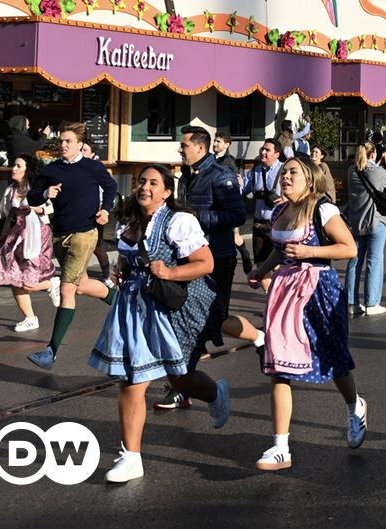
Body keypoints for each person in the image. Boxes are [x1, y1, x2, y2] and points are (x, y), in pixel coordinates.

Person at [89, 164, 229, 482]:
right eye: (141, 181)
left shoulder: (179, 221)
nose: (145, 187)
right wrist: (120, 271)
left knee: (180, 379)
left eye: (154, 182)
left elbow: (205, 263)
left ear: (167, 192)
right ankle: (131, 457)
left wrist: (170, 272)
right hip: (133, 306)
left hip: (167, 309)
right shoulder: (130, 221)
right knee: (131, 381)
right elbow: (127, 258)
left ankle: (216, 395)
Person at [246, 155, 366, 471]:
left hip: (318, 289)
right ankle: (280, 447)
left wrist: (310, 251)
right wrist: (262, 269)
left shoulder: (322, 209)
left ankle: (355, 406)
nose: (286, 176)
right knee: (278, 367)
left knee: (333, 358)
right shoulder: (279, 210)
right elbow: (279, 249)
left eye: (293, 172)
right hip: (285, 291)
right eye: (284, 171)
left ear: (309, 179)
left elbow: (349, 248)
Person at [156, 126, 260, 410]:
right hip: (190, 259)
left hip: (218, 258)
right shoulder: (187, 176)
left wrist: (197, 216)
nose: (180, 149)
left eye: (184, 145)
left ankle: (185, 382)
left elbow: (237, 214)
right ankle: (182, 384)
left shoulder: (221, 176)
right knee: (188, 321)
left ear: (200, 148)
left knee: (208, 322)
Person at [26, 122, 118, 370]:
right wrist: (46, 193)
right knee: (81, 285)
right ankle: (122, 302)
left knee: (67, 289)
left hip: (84, 234)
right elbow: (32, 196)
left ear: (79, 144)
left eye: (68, 141)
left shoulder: (92, 167)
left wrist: (106, 210)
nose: (63, 145)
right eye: (61, 141)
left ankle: (51, 351)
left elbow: (111, 187)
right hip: (60, 235)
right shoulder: (52, 169)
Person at [0, 154, 61, 331]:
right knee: (13, 277)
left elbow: (49, 208)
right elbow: (2, 211)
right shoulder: (11, 189)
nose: (14, 168)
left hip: (37, 235)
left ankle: (51, 284)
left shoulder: (37, 189)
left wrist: (39, 208)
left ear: (28, 170)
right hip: (18, 235)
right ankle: (30, 318)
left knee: (29, 279)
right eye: (14, 165)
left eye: (18, 166)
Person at [345, 142, 386, 316]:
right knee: (374, 261)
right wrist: (385, 163)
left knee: (355, 261)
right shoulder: (379, 172)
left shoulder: (351, 172)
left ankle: (351, 302)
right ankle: (372, 303)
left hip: (356, 221)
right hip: (375, 220)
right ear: (374, 154)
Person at [241, 139, 285, 292]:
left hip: (278, 223)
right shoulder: (255, 171)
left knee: (278, 264)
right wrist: (236, 184)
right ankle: (270, 298)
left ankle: (281, 297)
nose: (263, 152)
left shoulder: (285, 171)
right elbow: (243, 190)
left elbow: (300, 191)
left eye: (267, 150)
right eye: (262, 149)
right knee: (260, 263)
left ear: (277, 154)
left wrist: (286, 198)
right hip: (259, 223)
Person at [213, 132, 254, 275]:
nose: (215, 144)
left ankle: (244, 255)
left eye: (218, 141)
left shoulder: (230, 161)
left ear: (227, 144)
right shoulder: (210, 159)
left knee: (234, 235)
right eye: (215, 141)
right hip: (213, 204)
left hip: (228, 204)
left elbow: (236, 182)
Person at [81, 141, 112, 283]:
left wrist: (104, 209)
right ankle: (78, 276)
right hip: (80, 212)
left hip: (96, 213)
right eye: (80, 149)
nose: (81, 152)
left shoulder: (98, 168)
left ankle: (107, 276)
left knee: (97, 247)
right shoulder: (75, 167)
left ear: (93, 154)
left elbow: (110, 189)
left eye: (85, 150)